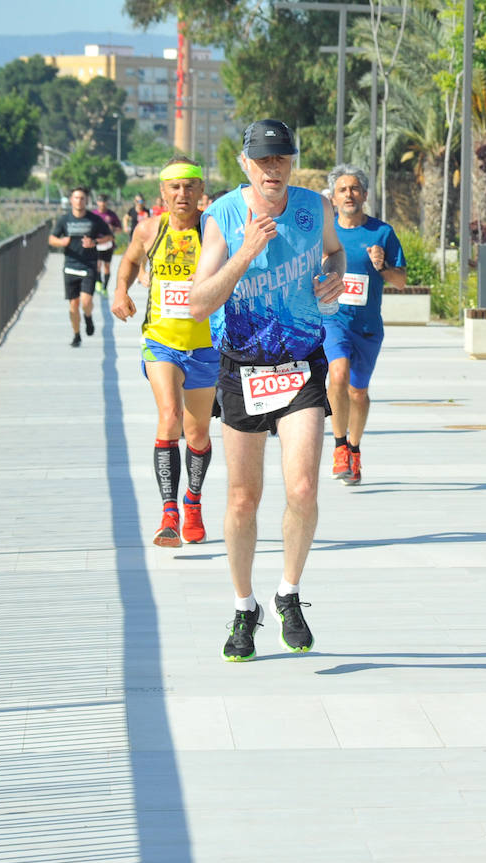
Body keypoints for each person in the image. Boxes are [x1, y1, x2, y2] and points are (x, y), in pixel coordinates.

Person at [189, 119, 347, 663]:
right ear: (244, 164)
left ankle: (289, 593)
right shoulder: (224, 218)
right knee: (242, 498)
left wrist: (332, 274)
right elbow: (198, 302)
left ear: (291, 162)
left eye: (281, 158)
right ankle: (243, 605)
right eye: (262, 160)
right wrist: (245, 252)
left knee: (302, 488)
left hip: (301, 363)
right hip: (242, 368)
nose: (272, 168)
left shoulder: (313, 208)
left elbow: (334, 253)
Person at [111, 156, 218, 549]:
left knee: (198, 433)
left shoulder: (213, 229)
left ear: (200, 190)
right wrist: (120, 290)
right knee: (169, 416)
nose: (182, 194)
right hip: (160, 342)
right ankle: (169, 512)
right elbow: (128, 260)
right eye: (174, 187)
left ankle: (193, 502)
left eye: (189, 186)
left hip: (206, 345)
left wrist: (209, 279)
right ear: (162, 192)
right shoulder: (148, 229)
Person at [323, 164, 407, 485]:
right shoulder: (325, 231)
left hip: (368, 326)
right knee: (338, 375)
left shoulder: (381, 233)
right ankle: (339, 446)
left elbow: (400, 281)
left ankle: (354, 449)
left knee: (358, 393)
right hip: (333, 320)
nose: (349, 194)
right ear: (333, 196)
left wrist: (382, 264)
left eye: (355, 189)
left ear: (365, 195)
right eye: (343, 189)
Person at [48, 187, 114, 348]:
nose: (79, 201)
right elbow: (52, 239)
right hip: (70, 265)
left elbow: (109, 237)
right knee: (73, 305)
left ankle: (88, 316)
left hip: (89, 265)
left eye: (82, 198)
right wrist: (61, 242)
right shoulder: (64, 220)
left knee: (86, 301)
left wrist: (95, 242)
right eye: (76, 198)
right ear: (71, 200)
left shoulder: (94, 220)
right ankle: (76, 335)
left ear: (86, 201)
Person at [91, 193, 124, 299]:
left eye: (104, 202)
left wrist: (112, 228)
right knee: (97, 265)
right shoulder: (93, 214)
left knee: (106, 267)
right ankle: (98, 282)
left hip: (108, 244)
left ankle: (105, 287)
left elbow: (120, 229)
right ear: (97, 202)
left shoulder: (111, 215)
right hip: (96, 243)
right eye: (100, 201)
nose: (102, 204)